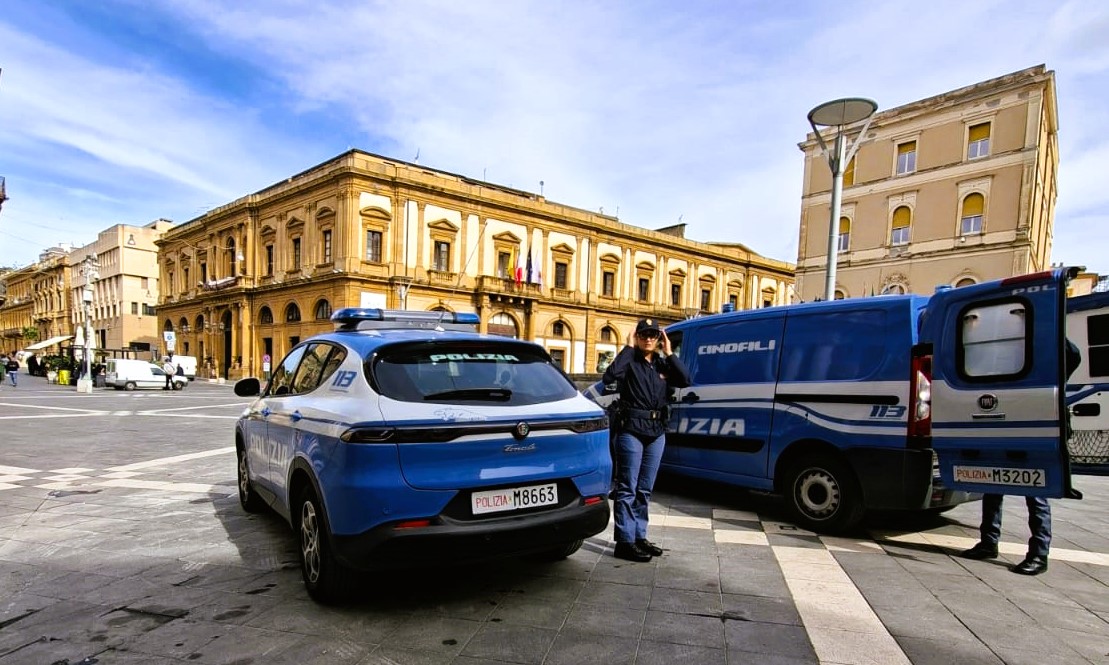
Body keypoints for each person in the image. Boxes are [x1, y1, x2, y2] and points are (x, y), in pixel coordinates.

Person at [961, 338, 1082, 575]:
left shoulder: (1046, 340)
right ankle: (988, 541)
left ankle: (1039, 553)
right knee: (993, 482)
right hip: (1004, 420)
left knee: (1035, 487)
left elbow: (1073, 354)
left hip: (1036, 424)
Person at [602, 318, 690, 562]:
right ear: (637, 337)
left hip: (656, 432)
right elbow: (610, 377)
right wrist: (628, 347)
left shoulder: (662, 364)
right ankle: (625, 542)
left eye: (653, 335)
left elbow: (685, 380)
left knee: (645, 489)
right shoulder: (630, 361)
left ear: (659, 338)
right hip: (631, 430)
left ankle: (639, 536)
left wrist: (670, 352)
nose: (648, 339)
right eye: (643, 335)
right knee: (627, 487)